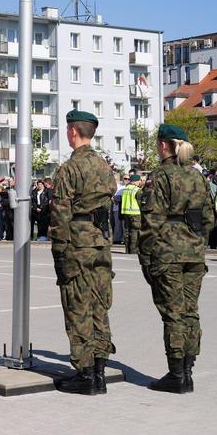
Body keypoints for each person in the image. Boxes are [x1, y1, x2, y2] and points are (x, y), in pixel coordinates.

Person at [138, 124, 214, 394]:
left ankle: (176, 374)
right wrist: (196, 242)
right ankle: (188, 371)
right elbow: (208, 219)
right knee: (190, 312)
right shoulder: (197, 176)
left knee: (173, 314)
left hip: (167, 252)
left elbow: (151, 220)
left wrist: (144, 254)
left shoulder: (160, 176)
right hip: (193, 252)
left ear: (163, 145)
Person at [49, 110, 116, 396]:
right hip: (100, 243)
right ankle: (99, 370)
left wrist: (59, 254)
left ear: (73, 132)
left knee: (77, 307)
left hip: (77, 243)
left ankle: (85, 374)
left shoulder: (69, 169)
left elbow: (60, 215)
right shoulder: (104, 166)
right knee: (99, 307)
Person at [121, 174, 142, 254]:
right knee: (134, 231)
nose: (140, 182)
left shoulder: (125, 189)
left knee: (127, 231)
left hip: (126, 213)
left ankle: (127, 249)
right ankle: (133, 250)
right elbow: (140, 203)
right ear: (136, 181)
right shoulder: (137, 190)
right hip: (135, 213)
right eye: (139, 180)